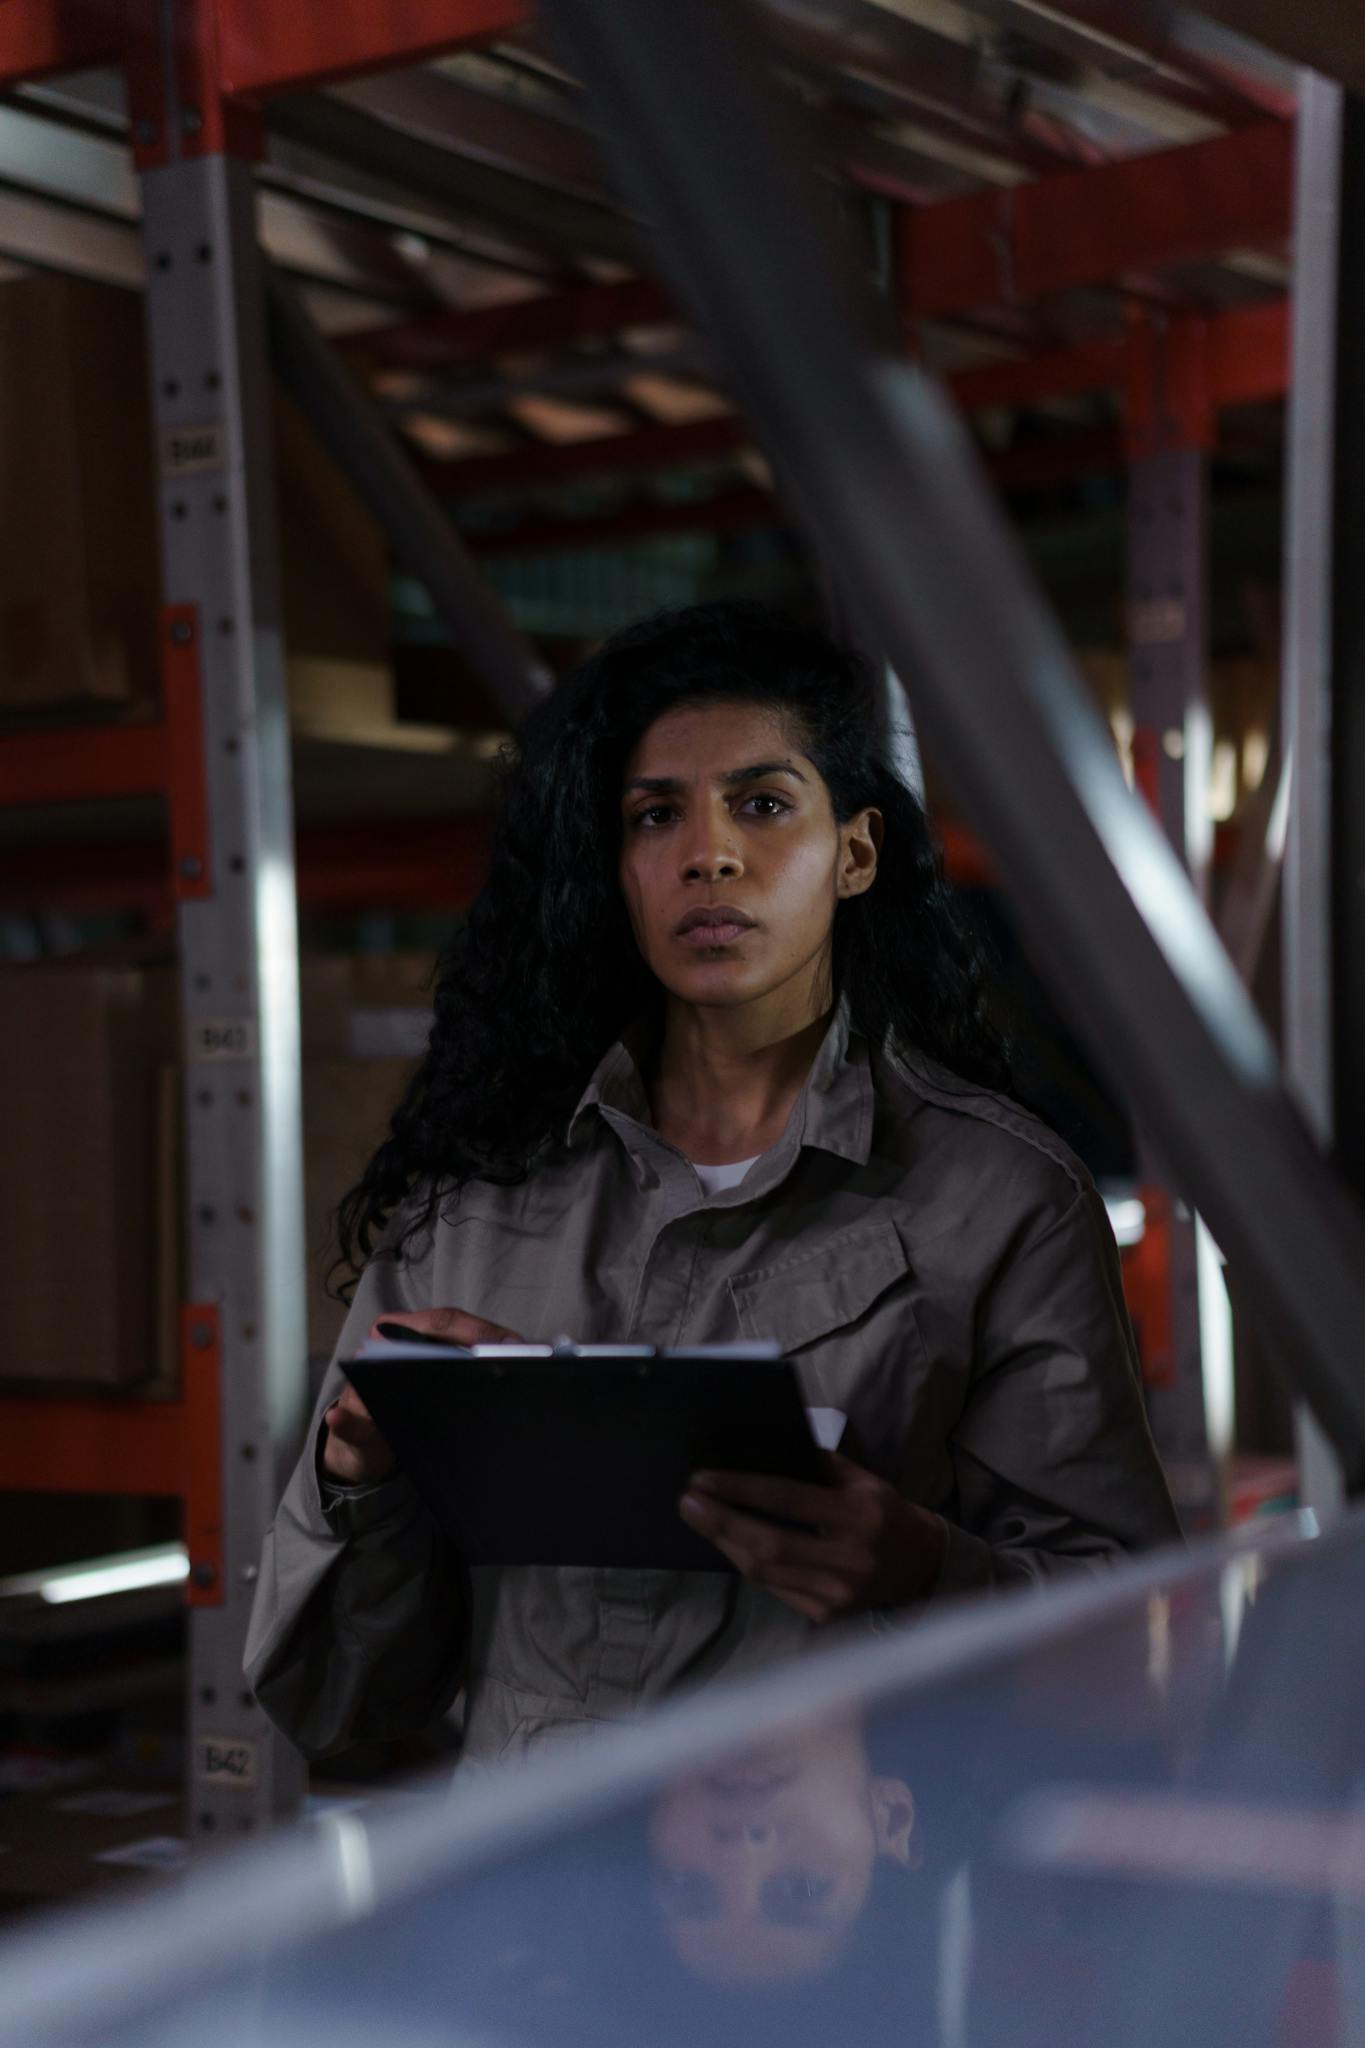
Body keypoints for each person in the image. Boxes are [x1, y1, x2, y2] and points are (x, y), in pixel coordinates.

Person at [244, 600, 1179, 1768]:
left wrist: (927, 1568)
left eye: (764, 802)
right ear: (618, 867)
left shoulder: (997, 1200)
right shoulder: (473, 1205)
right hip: (540, 1912)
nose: (709, 852)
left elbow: (1131, 1652)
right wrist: (362, 1475)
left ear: (857, 853)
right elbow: (335, 1703)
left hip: (841, 1912)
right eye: (655, 814)